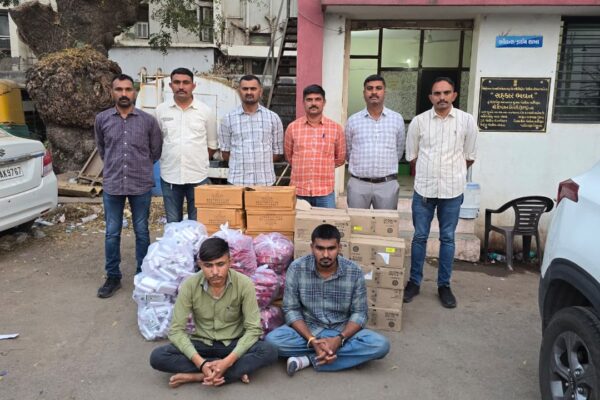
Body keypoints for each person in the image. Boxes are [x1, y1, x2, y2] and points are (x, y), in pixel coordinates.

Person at [149, 237, 278, 387]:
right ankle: (230, 371)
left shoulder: (244, 284)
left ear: (230, 262)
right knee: (158, 357)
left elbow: (253, 329)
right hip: (202, 343)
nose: (215, 272)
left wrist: (227, 361)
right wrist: (201, 363)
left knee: (269, 351)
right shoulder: (189, 285)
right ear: (200, 265)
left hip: (233, 343)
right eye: (208, 265)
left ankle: (197, 376)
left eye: (220, 264)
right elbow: (176, 331)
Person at [265, 224, 390, 376]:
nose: (325, 254)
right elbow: (291, 309)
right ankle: (332, 354)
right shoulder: (297, 268)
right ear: (312, 247)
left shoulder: (354, 271)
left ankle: (307, 359)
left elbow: (360, 313)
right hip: (309, 329)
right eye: (320, 248)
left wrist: (339, 339)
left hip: (342, 330)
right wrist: (311, 340)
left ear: (339, 248)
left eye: (331, 248)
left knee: (380, 345)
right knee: (272, 342)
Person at [403, 77, 478, 309]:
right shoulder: (419, 122)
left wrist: (451, 174)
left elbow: (469, 156)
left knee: (447, 238)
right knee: (419, 237)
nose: (442, 97)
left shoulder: (466, 121)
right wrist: (430, 173)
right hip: (424, 190)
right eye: (437, 93)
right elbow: (412, 156)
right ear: (431, 97)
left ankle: (444, 285)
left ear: (454, 95)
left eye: (446, 93)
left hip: (452, 190)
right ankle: (414, 282)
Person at [94, 74, 162, 299]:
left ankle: (143, 274)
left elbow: (155, 151)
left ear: (134, 92)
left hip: (140, 184)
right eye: (119, 89)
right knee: (112, 232)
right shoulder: (102, 119)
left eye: (128, 89)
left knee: (141, 231)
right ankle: (113, 276)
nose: (124, 94)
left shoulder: (148, 121)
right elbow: (102, 149)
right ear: (112, 92)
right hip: (113, 184)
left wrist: (140, 166)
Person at [156, 67, 217, 222]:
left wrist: (196, 160)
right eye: (177, 82)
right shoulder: (161, 111)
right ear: (171, 85)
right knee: (173, 222)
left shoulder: (205, 111)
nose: (181, 86)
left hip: (198, 176)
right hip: (170, 175)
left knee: (197, 223)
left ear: (193, 86)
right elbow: (157, 142)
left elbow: (211, 145)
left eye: (186, 82)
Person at [345, 74, 405, 210]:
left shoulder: (397, 119)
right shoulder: (353, 120)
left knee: (385, 222)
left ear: (385, 92)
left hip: (387, 184)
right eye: (369, 88)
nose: (374, 92)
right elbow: (349, 152)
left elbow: (399, 151)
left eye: (378, 88)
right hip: (358, 184)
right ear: (364, 93)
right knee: (357, 222)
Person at [284, 85, 346, 208]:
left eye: (317, 99)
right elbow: (289, 157)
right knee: (298, 221)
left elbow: (340, 158)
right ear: (303, 102)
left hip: (325, 193)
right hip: (299, 192)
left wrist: (325, 165)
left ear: (324, 102)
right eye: (309, 99)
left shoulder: (336, 129)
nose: (313, 103)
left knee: (327, 221)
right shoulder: (292, 128)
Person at [218, 75, 284, 186]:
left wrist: (260, 164)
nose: (249, 92)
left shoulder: (273, 118)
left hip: (265, 182)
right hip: (237, 182)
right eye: (245, 89)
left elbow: (277, 152)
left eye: (253, 89)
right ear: (239, 91)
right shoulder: (228, 119)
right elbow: (225, 153)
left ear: (260, 92)